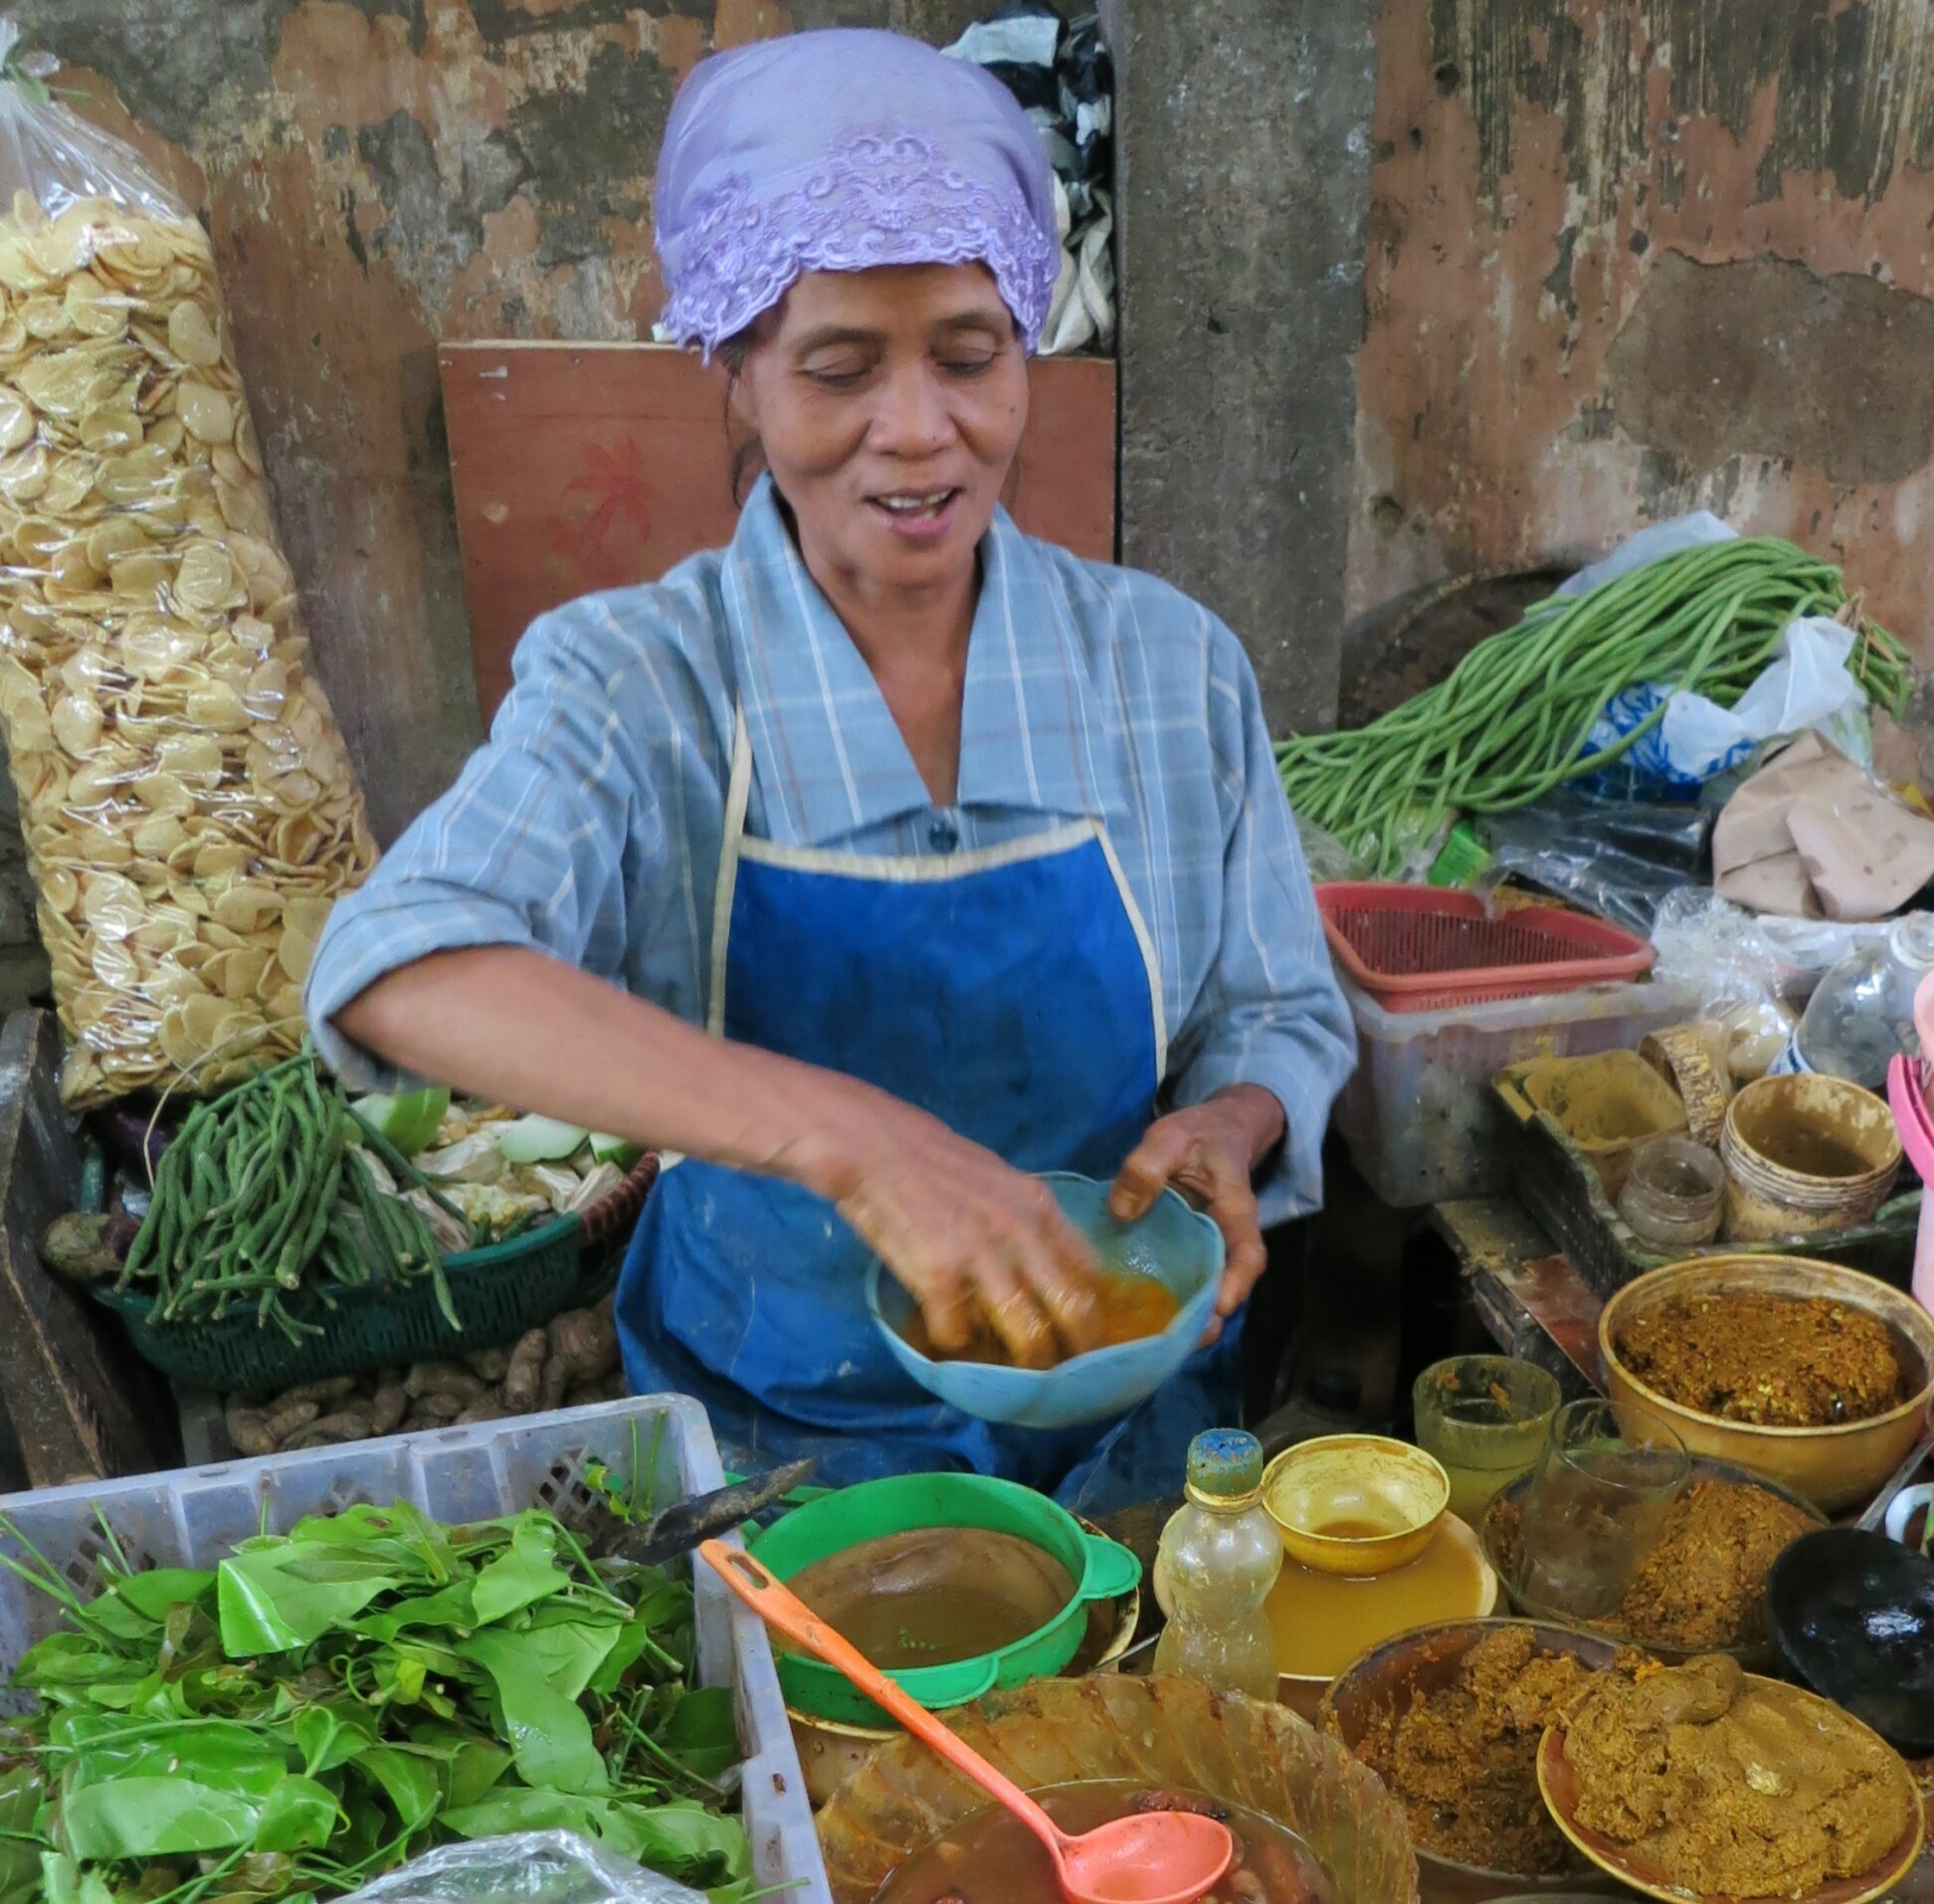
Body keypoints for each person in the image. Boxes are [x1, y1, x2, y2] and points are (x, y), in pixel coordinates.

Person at [305, 28, 1355, 1512]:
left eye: (971, 357)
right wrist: (846, 1139)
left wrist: (1231, 1122)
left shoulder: (1170, 668)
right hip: (786, 1440)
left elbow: (1275, 1006)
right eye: (838, 368)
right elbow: (397, 966)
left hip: (1127, 1417)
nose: (918, 433)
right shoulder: (644, 681)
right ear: (736, 368)